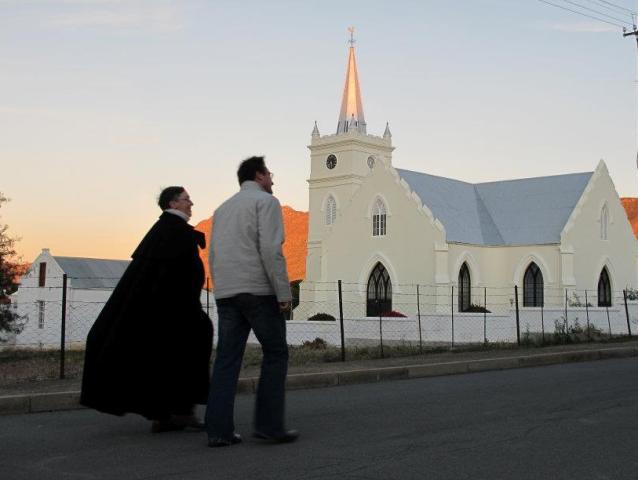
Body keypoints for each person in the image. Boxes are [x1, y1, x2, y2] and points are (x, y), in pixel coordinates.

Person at [81, 187, 213, 433]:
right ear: (173, 203)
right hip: (176, 313)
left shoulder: (164, 231)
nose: (191, 203)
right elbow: (170, 278)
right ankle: (179, 412)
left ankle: (166, 414)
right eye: (186, 199)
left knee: (165, 359)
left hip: (170, 312)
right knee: (188, 349)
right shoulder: (173, 231)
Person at [206, 156, 298, 447]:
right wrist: (284, 294)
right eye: (270, 174)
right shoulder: (267, 203)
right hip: (258, 291)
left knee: (227, 360)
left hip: (227, 293)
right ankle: (269, 426)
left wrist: (221, 289)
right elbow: (271, 250)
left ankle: (218, 431)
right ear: (259, 176)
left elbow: (214, 255)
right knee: (276, 353)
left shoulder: (222, 209)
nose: (273, 179)